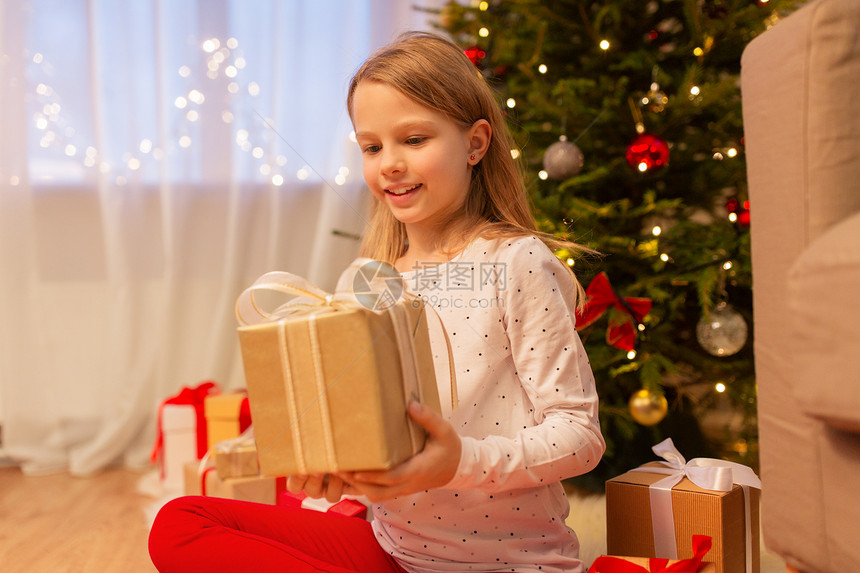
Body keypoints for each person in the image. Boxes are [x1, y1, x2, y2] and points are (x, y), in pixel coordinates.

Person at [148, 31, 604, 573]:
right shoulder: (371, 281)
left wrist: (459, 460)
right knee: (180, 523)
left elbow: (580, 437)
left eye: (413, 140)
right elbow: (367, 430)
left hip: (506, 564)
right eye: (372, 146)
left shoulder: (516, 262)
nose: (388, 163)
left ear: (475, 144)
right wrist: (332, 467)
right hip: (396, 552)